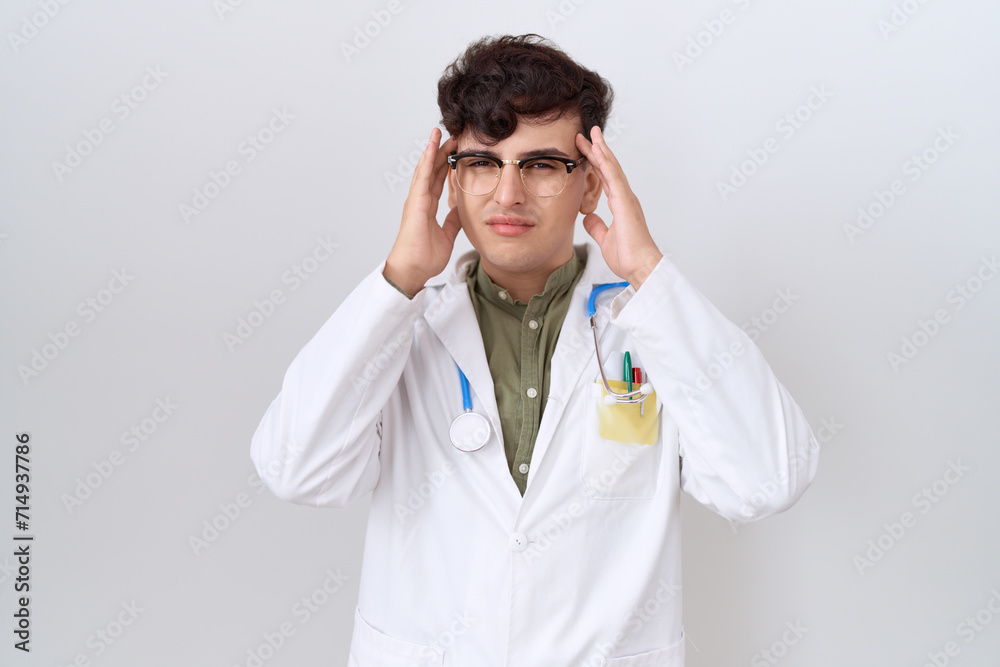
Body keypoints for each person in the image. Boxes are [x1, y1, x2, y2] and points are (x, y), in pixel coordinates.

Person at [251, 33, 819, 667]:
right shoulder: (399, 328)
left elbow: (769, 481)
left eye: (542, 165)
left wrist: (650, 276)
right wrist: (399, 280)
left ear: (591, 185)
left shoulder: (654, 327)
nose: (508, 195)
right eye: (482, 163)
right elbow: (297, 470)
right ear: (450, 180)